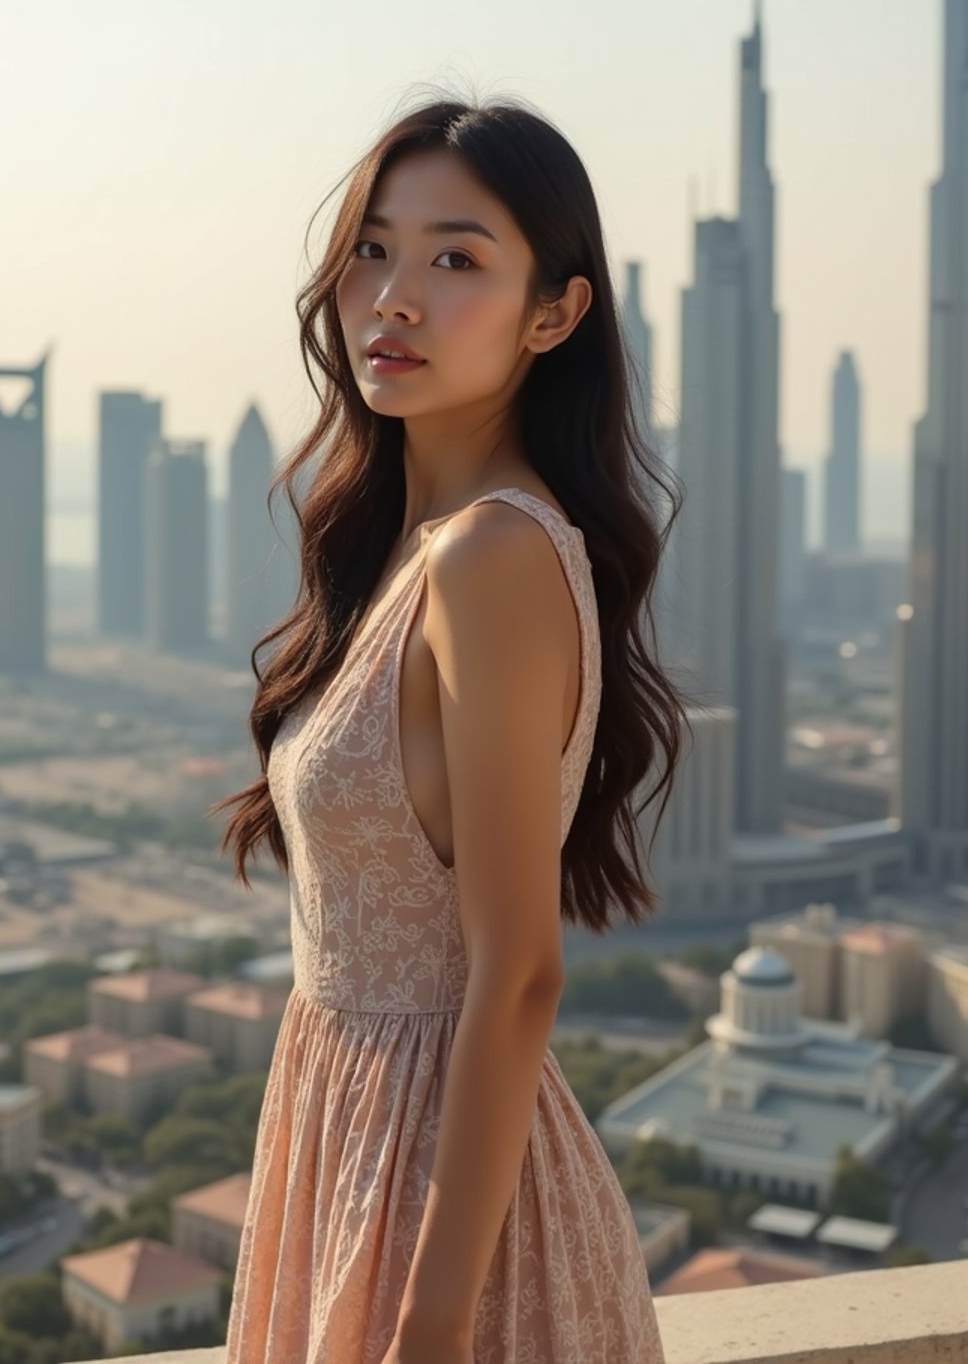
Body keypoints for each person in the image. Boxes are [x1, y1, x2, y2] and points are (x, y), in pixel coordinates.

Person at [212, 91, 689, 1363]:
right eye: (372, 247)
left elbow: (518, 970)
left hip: (449, 1231)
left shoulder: (491, 556)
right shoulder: (410, 554)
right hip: (353, 1153)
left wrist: (423, 1330)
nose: (394, 295)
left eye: (455, 258)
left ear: (555, 312)